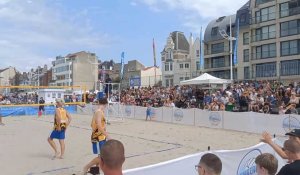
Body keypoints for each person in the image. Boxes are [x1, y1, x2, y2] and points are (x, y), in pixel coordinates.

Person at [84, 98, 111, 173]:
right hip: (98, 137)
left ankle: (95, 171)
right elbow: (99, 125)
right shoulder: (99, 112)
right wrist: (107, 135)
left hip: (101, 136)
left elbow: (96, 125)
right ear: (105, 104)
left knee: (101, 156)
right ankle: (86, 167)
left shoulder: (100, 111)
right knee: (102, 157)